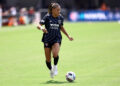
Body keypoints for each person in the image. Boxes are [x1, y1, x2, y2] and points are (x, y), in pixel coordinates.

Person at [37, 3, 73, 78]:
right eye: (57, 10)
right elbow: (38, 25)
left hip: (57, 38)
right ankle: (51, 70)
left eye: (59, 10)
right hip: (47, 39)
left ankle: (55, 66)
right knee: (48, 59)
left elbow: (61, 27)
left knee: (55, 54)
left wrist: (68, 35)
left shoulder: (60, 18)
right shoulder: (47, 17)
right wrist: (42, 28)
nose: (59, 11)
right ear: (53, 10)